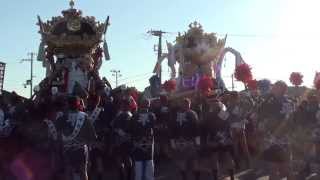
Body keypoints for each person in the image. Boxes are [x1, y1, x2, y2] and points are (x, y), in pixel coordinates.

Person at [56, 96, 96, 180]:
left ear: (67, 105)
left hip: (67, 150)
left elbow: (57, 134)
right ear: (78, 105)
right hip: (81, 150)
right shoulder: (84, 117)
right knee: (83, 171)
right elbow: (92, 136)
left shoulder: (62, 118)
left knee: (68, 171)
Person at [202, 97, 235, 180]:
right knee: (227, 157)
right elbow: (229, 124)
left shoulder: (209, 115)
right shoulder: (224, 113)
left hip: (214, 139)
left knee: (214, 158)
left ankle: (216, 178)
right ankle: (232, 177)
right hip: (225, 138)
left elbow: (205, 128)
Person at [169, 98, 201, 180]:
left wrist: (172, 142)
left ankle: (184, 178)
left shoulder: (175, 115)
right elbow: (196, 128)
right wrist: (198, 143)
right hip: (190, 141)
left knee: (182, 161)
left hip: (179, 142)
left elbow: (172, 129)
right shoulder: (192, 114)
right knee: (194, 161)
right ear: (189, 104)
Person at [131, 99, 156, 180]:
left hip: (140, 142)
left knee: (140, 164)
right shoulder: (151, 115)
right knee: (148, 164)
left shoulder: (135, 115)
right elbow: (154, 128)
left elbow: (131, 130)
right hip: (147, 142)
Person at [111, 98, 134, 180]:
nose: (122, 106)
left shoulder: (129, 115)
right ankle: (122, 176)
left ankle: (128, 177)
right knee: (119, 160)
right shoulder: (119, 114)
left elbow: (129, 128)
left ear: (128, 105)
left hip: (126, 141)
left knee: (127, 159)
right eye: (121, 104)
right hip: (118, 141)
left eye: (124, 104)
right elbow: (112, 125)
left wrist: (121, 131)